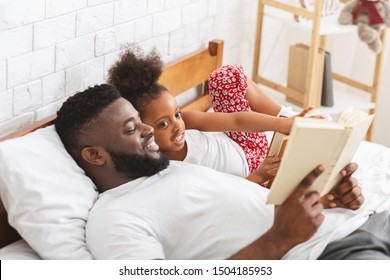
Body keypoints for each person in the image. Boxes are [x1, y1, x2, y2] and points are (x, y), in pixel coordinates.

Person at [55, 84, 390, 260]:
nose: (148, 131)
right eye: (132, 128)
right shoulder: (114, 218)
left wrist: (326, 201)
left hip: (363, 224)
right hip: (331, 255)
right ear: (96, 155)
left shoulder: (172, 171)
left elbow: (248, 211)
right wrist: (279, 239)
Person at [106, 46, 313, 185]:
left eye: (176, 114)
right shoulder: (169, 171)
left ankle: (289, 117)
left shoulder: (186, 120)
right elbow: (224, 194)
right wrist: (259, 176)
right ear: (143, 131)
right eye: (163, 124)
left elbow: (236, 121)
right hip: (252, 175)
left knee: (225, 77)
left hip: (243, 143)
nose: (178, 125)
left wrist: (281, 124)